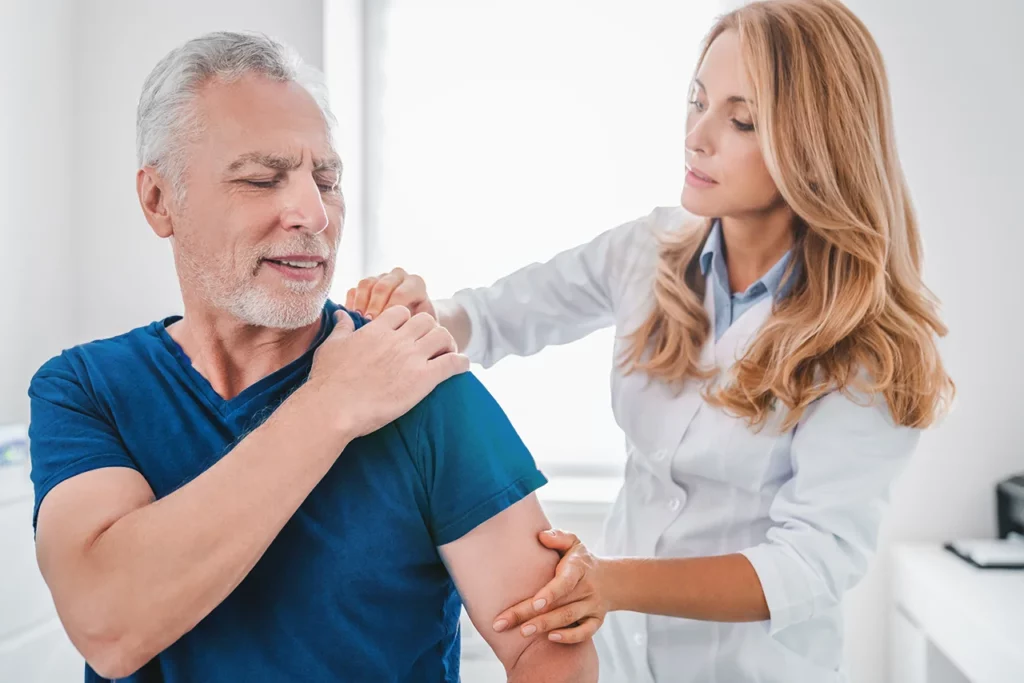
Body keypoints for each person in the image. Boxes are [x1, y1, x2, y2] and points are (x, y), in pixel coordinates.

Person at [344, 1, 955, 681]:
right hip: (627, 662)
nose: (698, 135)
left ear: (816, 144)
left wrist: (612, 582)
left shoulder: (869, 344)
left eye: (741, 119)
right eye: (697, 101)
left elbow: (809, 562)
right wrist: (429, 310)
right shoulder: (648, 251)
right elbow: (494, 317)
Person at [27, 32, 597, 683]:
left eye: (326, 180)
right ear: (160, 201)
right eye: (262, 178)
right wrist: (329, 406)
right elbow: (107, 621)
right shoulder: (85, 388)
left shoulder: (421, 381)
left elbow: (549, 648)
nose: (312, 213)